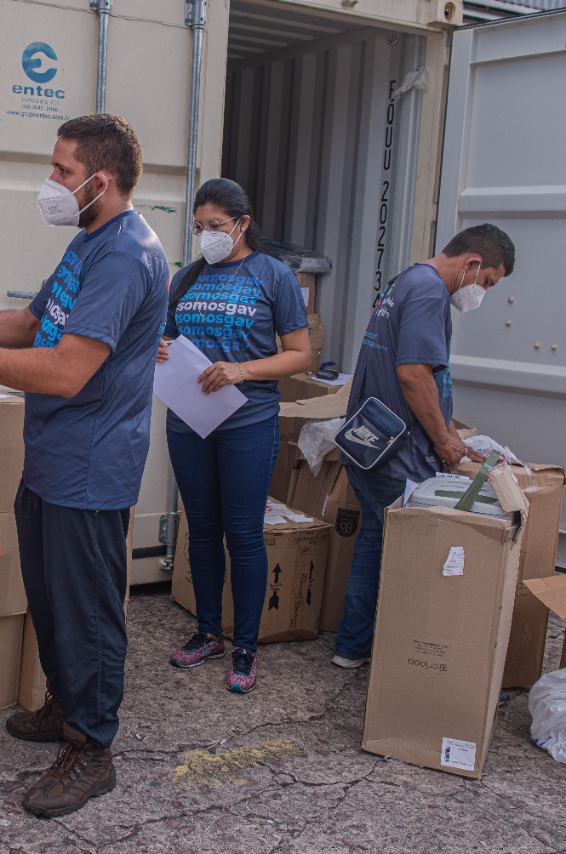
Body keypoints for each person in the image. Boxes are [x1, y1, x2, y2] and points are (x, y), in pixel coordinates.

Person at [0, 114, 168, 817]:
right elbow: (31, 323)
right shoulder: (88, 241)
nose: (51, 183)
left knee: (88, 612)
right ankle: (65, 706)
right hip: (51, 458)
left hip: (91, 465)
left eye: (61, 171)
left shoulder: (127, 254)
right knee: (49, 599)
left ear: (99, 181)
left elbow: (66, 369)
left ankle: (92, 747)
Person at [332, 223, 515, 669]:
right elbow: (413, 374)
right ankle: (409, 660)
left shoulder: (406, 280)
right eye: (487, 282)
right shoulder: (431, 291)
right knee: (415, 558)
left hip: (370, 442)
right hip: (398, 455)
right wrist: (443, 442)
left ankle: (351, 648)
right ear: (472, 264)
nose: (482, 293)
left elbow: (424, 376)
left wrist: (451, 432)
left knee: (375, 540)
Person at [157, 178, 311, 693]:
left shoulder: (274, 276)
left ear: (243, 224)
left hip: (247, 421)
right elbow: (168, 336)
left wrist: (242, 371)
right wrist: (161, 348)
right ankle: (207, 631)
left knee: (242, 535)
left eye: (216, 226)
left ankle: (245, 645)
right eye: (200, 226)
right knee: (200, 529)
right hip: (189, 420)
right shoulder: (186, 278)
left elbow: (299, 354)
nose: (207, 235)